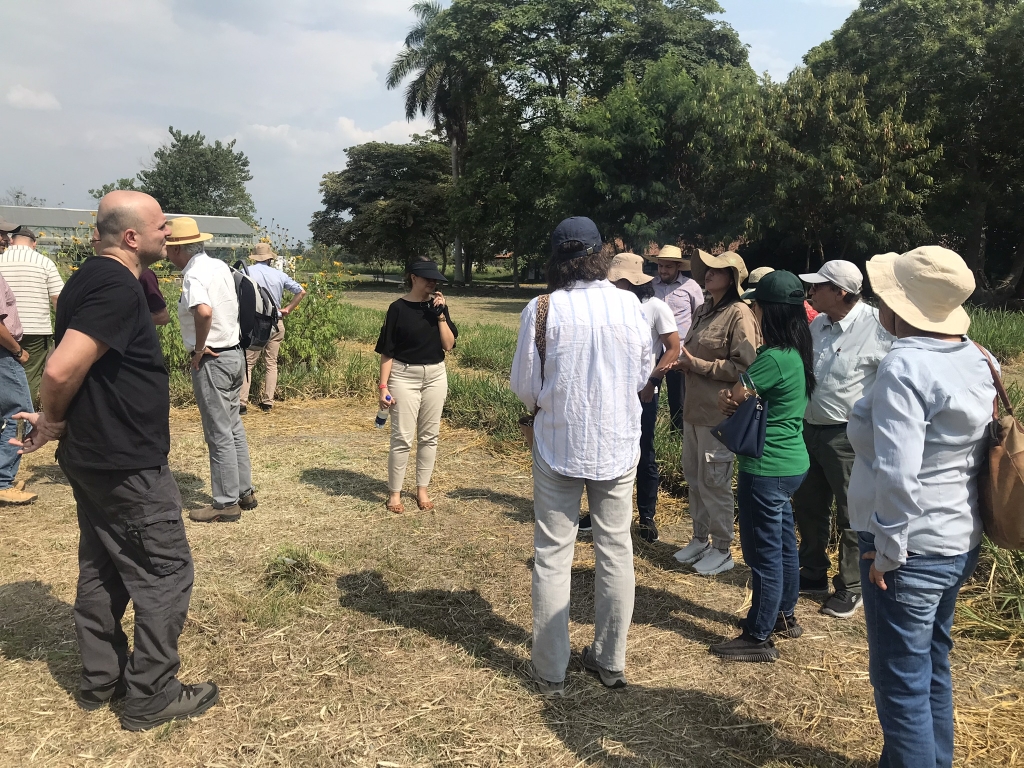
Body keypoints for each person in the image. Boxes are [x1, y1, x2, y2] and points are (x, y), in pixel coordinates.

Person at [10, 190, 218, 730]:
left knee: (103, 565)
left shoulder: (83, 278)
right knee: (166, 571)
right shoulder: (116, 286)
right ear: (131, 238)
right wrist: (50, 418)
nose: (168, 229)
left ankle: (101, 679)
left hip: (94, 453)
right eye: (159, 224)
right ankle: (151, 693)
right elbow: (60, 369)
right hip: (124, 459)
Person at [849, 247, 994, 767]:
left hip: (907, 546)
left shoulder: (905, 365)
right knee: (932, 664)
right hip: (960, 537)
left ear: (902, 307)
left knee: (900, 684)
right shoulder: (978, 357)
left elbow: (896, 470)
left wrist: (887, 549)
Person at [511, 217, 651, 696]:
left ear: (557, 258)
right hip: (616, 441)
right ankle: (610, 660)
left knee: (553, 553)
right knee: (616, 549)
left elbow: (525, 384)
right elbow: (642, 374)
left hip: (558, 440)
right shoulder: (630, 304)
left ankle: (551, 669)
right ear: (599, 255)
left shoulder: (543, 307)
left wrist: (534, 413)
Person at [711, 271, 814, 661]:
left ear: (767, 311)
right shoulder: (797, 353)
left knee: (763, 553)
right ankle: (785, 615)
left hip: (766, 467)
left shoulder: (772, 358)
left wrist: (728, 397)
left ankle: (758, 634)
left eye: (755, 305)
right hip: (792, 462)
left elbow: (736, 396)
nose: (752, 311)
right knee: (785, 544)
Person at [792, 260, 894, 619]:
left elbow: (891, 383)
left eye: (818, 286)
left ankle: (851, 585)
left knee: (853, 511)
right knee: (808, 505)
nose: (811, 292)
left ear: (840, 292)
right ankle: (813, 572)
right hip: (811, 429)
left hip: (848, 436)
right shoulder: (819, 323)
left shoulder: (877, 327)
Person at [579, 252, 678, 543]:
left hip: (643, 392)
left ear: (633, 282)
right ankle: (601, 512)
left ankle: (646, 517)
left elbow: (672, 348)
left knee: (644, 452)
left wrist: (653, 380)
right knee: (605, 450)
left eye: (618, 281)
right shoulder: (605, 307)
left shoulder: (655, 308)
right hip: (608, 392)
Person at [672, 251, 760, 576]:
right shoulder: (703, 310)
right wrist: (686, 365)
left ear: (733, 278)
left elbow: (747, 366)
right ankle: (699, 539)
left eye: (718, 270)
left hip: (719, 414)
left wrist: (698, 365)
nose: (709, 273)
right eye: (708, 269)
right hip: (694, 410)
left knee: (714, 481)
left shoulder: (740, 314)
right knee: (694, 477)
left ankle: (723, 548)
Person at [165, 217, 256, 523]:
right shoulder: (218, 266)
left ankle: (225, 503)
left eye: (167, 245)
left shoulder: (193, 276)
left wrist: (200, 348)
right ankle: (244, 492)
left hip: (213, 360)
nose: (164, 251)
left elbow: (203, 311)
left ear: (178, 249)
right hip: (234, 355)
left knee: (218, 433)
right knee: (232, 427)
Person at [375, 257, 457, 514]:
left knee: (430, 437)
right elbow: (387, 351)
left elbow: (449, 345)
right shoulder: (397, 308)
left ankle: (422, 489)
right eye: (428, 278)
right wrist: (383, 387)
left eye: (435, 279)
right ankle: (395, 493)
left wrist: (441, 315)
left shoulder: (438, 308)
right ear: (413, 277)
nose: (433, 282)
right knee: (402, 437)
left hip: (435, 375)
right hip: (404, 376)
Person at [0, 225, 64, 404]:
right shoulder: (44, 262)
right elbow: (59, 299)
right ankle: (23, 422)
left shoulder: (1, 258)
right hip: (36, 329)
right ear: (34, 244)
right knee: (29, 378)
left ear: (12, 240)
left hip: (4, 329)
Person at [240, 242, 306, 414]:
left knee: (248, 363)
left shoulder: (246, 273)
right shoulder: (280, 275)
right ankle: (267, 401)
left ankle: (242, 402)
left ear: (254, 258)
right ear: (270, 258)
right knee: (271, 363)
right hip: (276, 321)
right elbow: (301, 291)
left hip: (255, 322)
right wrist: (288, 309)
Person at [649, 245, 704, 432]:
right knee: (651, 393)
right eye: (661, 266)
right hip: (655, 350)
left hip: (680, 351)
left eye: (668, 267)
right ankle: (651, 431)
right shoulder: (651, 286)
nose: (663, 270)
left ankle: (678, 436)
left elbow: (699, 316)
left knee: (678, 398)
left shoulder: (691, 287)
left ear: (678, 267)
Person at [0, 271, 36, 504]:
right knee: (19, 414)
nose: (6, 240)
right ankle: (2, 481)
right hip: (3, 353)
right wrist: (17, 350)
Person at [747, 266, 817, 322]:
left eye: (757, 303)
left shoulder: (811, 320)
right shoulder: (800, 311)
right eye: (753, 303)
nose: (753, 309)